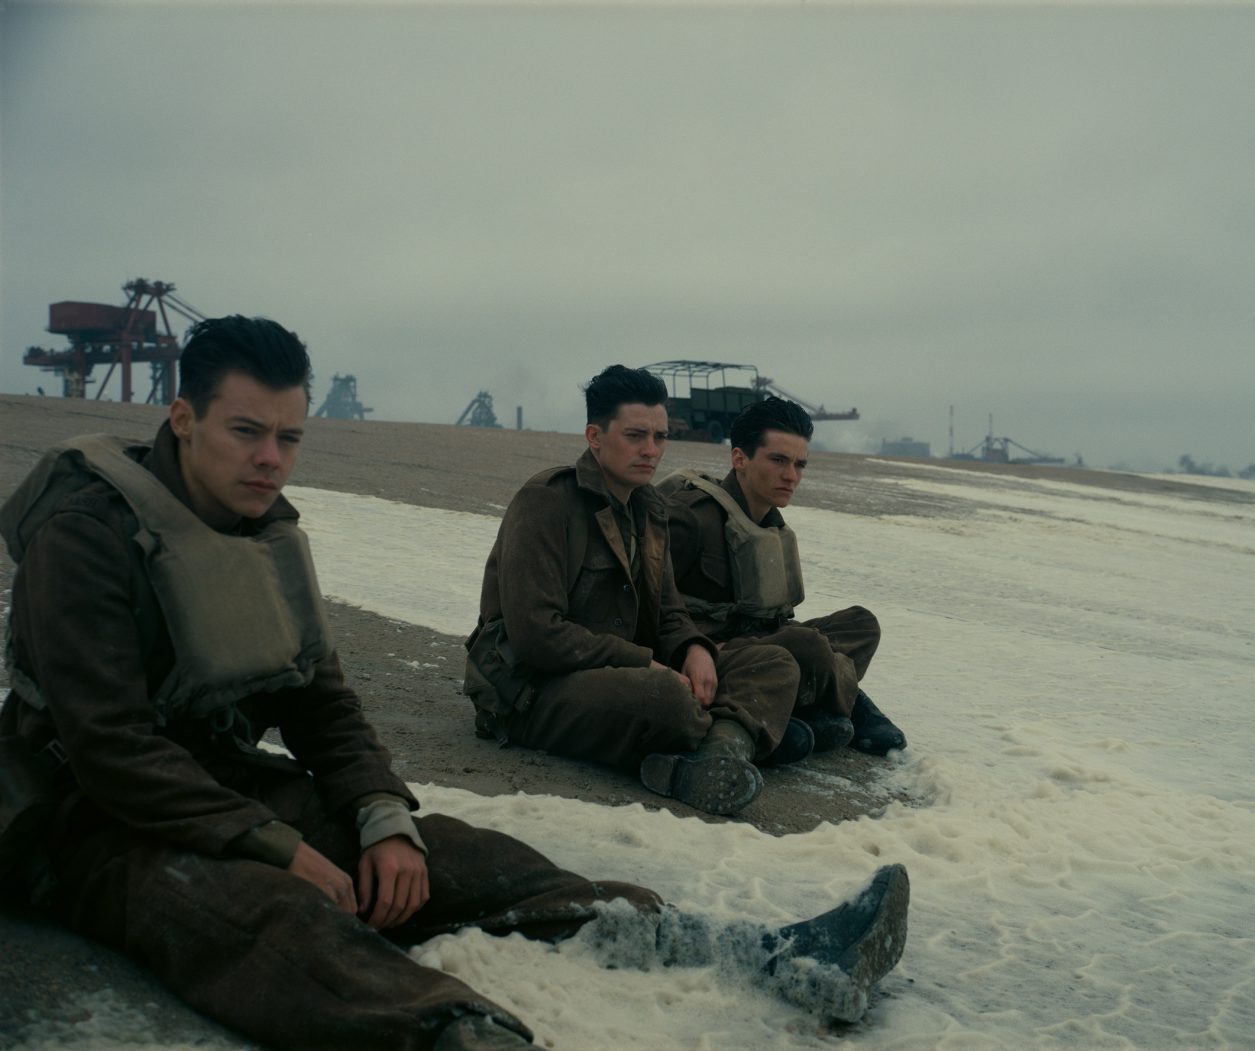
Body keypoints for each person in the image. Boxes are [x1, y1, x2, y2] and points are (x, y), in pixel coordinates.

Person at [0, 321, 908, 1051]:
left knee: (458, 856)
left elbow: (322, 703)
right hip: (80, 814)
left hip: (218, 777)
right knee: (270, 913)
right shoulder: (87, 536)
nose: (271, 457)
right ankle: (458, 1034)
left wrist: (379, 815)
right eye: (247, 431)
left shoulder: (264, 531)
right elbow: (110, 747)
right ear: (183, 418)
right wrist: (280, 847)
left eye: (289, 437)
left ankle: (746, 953)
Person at [465, 366, 810, 818]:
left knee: (774, 662)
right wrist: (643, 662)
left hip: (625, 673)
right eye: (635, 436)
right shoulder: (546, 501)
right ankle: (735, 735)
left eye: (660, 437)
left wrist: (692, 649)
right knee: (665, 699)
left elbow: (668, 611)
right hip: (532, 691)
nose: (651, 450)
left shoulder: (649, 507)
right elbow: (537, 635)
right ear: (595, 436)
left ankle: (717, 755)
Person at [662, 396, 908, 757]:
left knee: (861, 625)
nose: (791, 476)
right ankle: (845, 704)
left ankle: (799, 706)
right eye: (778, 460)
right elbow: (645, 604)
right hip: (709, 658)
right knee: (806, 645)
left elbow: (774, 617)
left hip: (765, 646)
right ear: (740, 459)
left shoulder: (769, 524)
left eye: (799, 464)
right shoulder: (691, 518)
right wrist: (696, 648)